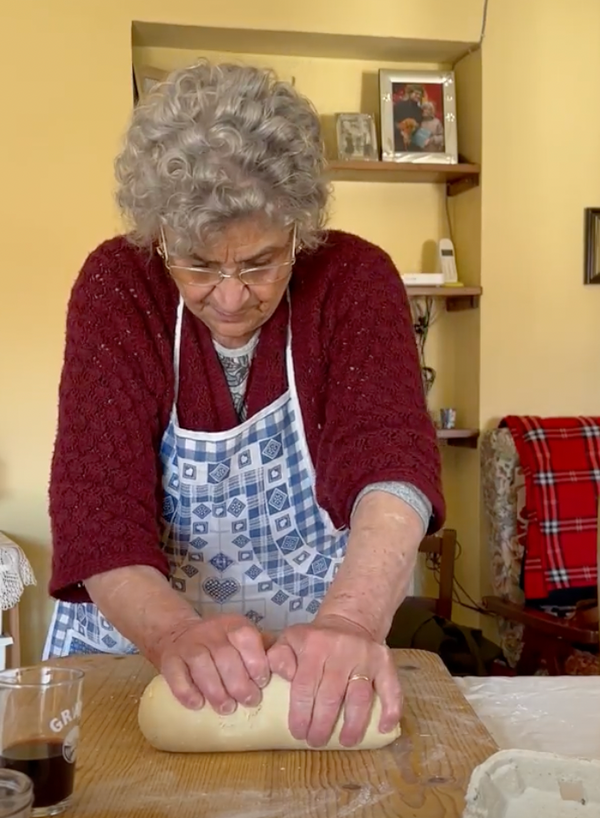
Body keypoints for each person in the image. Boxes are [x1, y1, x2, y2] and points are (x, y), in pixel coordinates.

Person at [45, 61, 444, 749]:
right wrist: (171, 633)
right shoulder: (118, 286)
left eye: (260, 261)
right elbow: (97, 508)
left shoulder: (355, 280)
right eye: (197, 263)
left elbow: (390, 463)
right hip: (129, 656)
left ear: (300, 226)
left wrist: (349, 623)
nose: (229, 297)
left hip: (314, 662)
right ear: (158, 237)